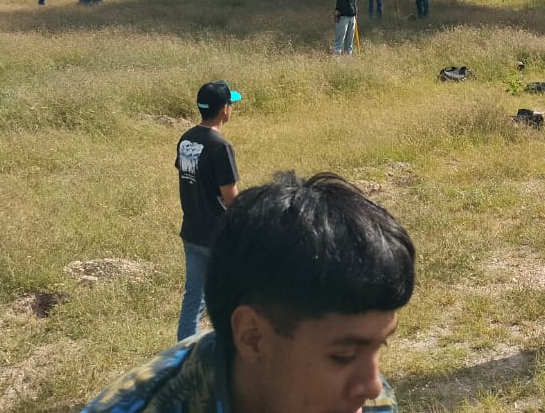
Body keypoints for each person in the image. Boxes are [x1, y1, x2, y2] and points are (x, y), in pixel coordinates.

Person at [81, 172, 414, 413]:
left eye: (379, 346)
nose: (373, 387)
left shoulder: (365, 402)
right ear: (253, 337)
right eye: (343, 356)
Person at [175, 81, 243, 342]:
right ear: (224, 109)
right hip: (218, 236)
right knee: (233, 296)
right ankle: (232, 350)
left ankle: (185, 352)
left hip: (192, 232)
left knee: (193, 297)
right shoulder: (220, 146)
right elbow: (230, 197)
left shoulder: (186, 139)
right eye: (230, 104)